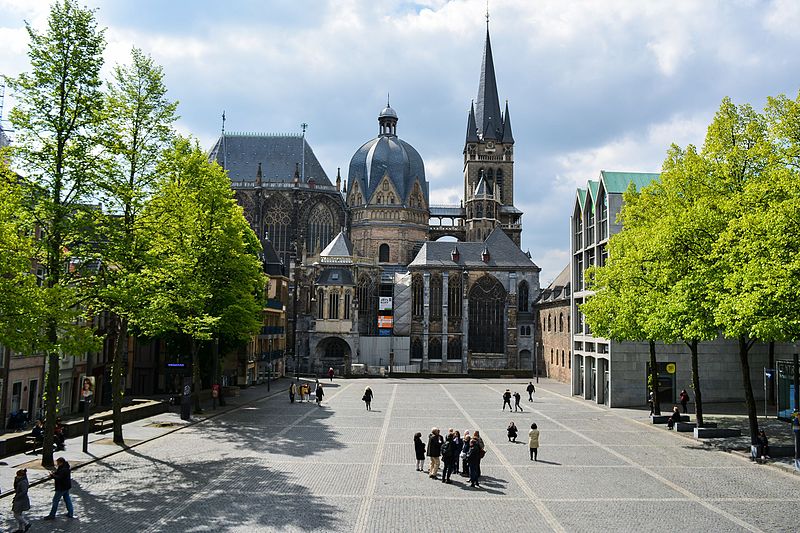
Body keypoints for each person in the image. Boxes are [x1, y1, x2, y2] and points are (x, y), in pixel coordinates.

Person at [12, 468, 31, 532]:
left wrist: (17, 496)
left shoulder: (23, 482)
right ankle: (20, 529)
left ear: (21, 476)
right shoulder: (21, 480)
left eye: (18, 475)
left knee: (16, 514)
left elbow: (24, 491)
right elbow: (15, 486)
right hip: (21, 499)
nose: (16, 476)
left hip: (21, 500)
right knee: (19, 514)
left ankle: (27, 523)